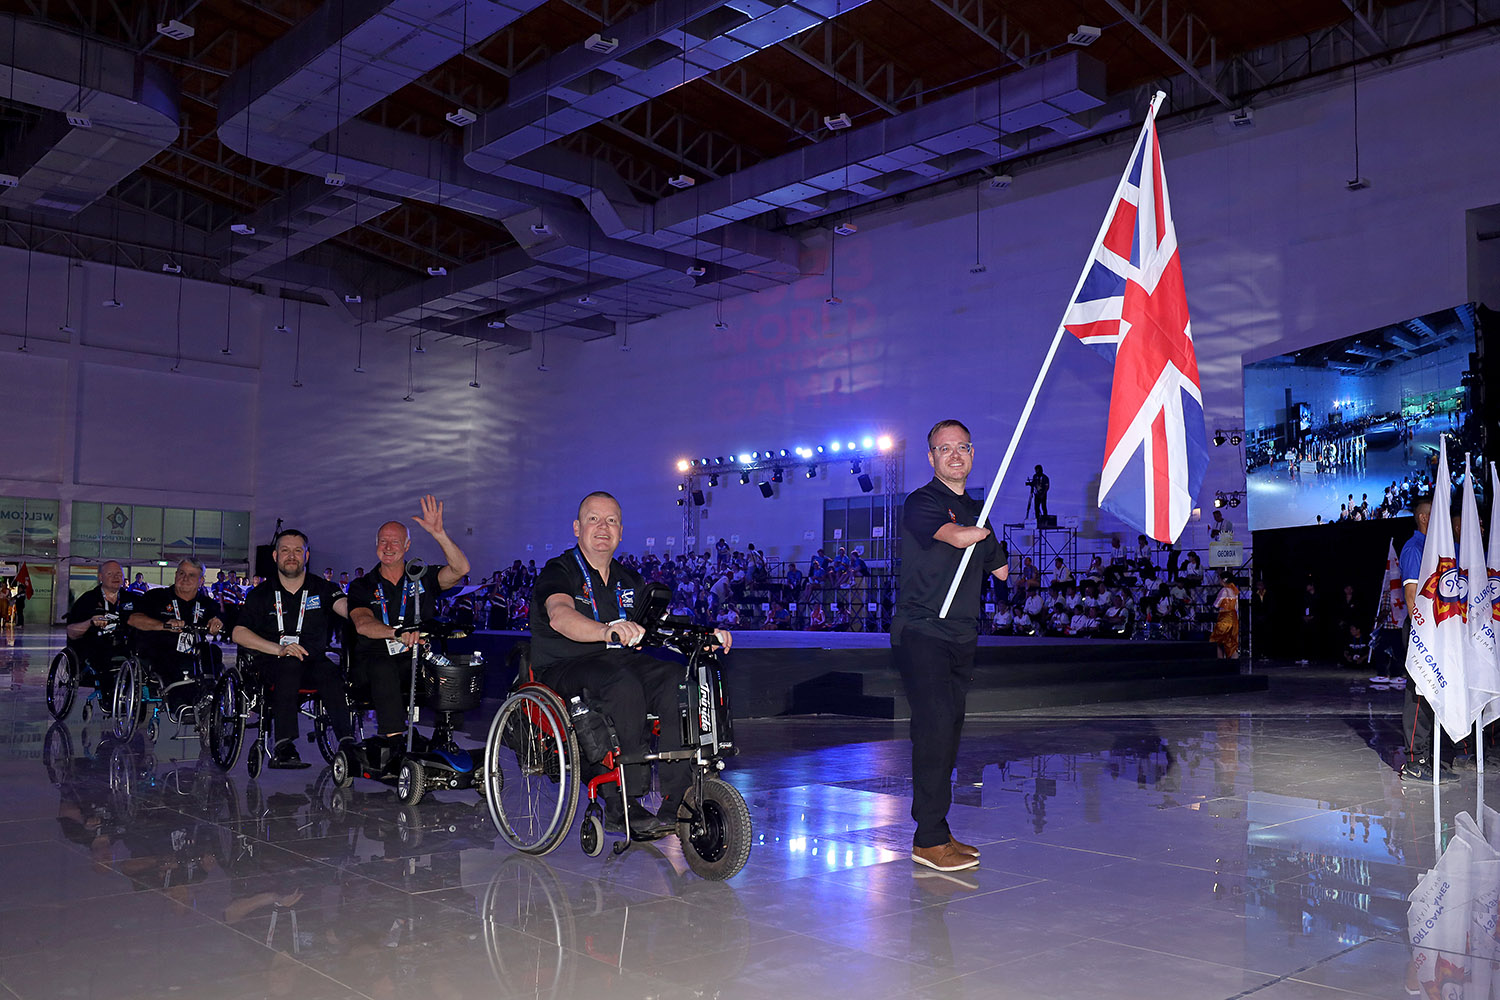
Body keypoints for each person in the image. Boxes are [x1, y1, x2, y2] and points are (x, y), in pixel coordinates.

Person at [529, 492, 733, 837]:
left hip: (617, 661)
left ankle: (678, 797)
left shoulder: (629, 580)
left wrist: (704, 634)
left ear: (621, 532)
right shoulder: (559, 571)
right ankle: (621, 799)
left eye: (611, 521)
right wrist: (606, 631)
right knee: (622, 683)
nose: (602, 527)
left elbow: (658, 625)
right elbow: (560, 616)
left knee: (677, 680)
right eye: (593, 519)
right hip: (565, 665)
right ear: (577, 528)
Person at [892, 420, 1009, 874]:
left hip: (961, 633)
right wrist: (978, 531)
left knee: (949, 731)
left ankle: (938, 830)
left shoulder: (979, 510)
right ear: (931, 458)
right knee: (935, 726)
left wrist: (995, 544)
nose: (955, 455)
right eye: (945, 449)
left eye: (962, 448)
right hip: (922, 630)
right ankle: (927, 839)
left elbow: (1000, 573)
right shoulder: (922, 502)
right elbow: (957, 537)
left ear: (973, 454)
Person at [347, 496, 470, 747]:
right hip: (374, 661)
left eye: (395, 541)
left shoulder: (422, 578)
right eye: (383, 541)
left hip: (414, 659)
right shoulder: (362, 585)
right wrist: (396, 633)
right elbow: (362, 624)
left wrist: (439, 534)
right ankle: (394, 743)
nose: (388, 546)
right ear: (376, 545)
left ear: (407, 546)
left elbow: (460, 570)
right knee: (383, 666)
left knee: (448, 670)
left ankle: (442, 740)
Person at [231, 529, 356, 769]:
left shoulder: (323, 589)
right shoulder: (260, 594)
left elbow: (349, 609)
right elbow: (238, 633)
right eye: (285, 550)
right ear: (276, 556)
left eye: (298, 550)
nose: (292, 556)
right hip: (272, 661)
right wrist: (279, 649)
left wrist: (367, 616)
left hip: (312, 660)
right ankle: (284, 745)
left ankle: (347, 741)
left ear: (306, 556)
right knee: (288, 665)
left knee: (331, 672)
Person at [126, 558, 224, 709]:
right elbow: (133, 619)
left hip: (193, 650)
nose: (185, 578)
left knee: (213, 652)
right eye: (182, 573)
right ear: (175, 575)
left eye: (191, 575)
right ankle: (180, 705)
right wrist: (163, 625)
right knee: (172, 658)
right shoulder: (156, 597)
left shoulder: (208, 604)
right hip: (161, 649)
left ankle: (209, 693)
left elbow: (220, 620)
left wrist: (216, 623)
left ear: (201, 581)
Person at [1399, 495, 1449, 781]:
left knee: (1434, 691)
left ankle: (1430, 756)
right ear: (1424, 518)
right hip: (1421, 631)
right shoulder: (1414, 548)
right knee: (1419, 690)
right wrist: (1422, 634)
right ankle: (1414, 761)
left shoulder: (1433, 550)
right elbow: (1411, 595)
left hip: (1437, 631)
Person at [63, 561, 141, 690]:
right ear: (100, 577)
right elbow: (71, 631)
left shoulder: (133, 599)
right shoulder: (88, 600)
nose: (116, 577)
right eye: (110, 574)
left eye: (118, 574)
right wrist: (90, 622)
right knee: (106, 663)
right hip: (96, 649)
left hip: (126, 647)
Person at [1210, 570, 1239, 659]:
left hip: (1225, 617)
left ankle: (1221, 663)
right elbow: (1236, 607)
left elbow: (1216, 604)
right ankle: (1234, 665)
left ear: (1224, 580)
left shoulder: (1224, 590)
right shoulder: (1234, 590)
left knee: (1217, 641)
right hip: (1233, 617)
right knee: (1231, 642)